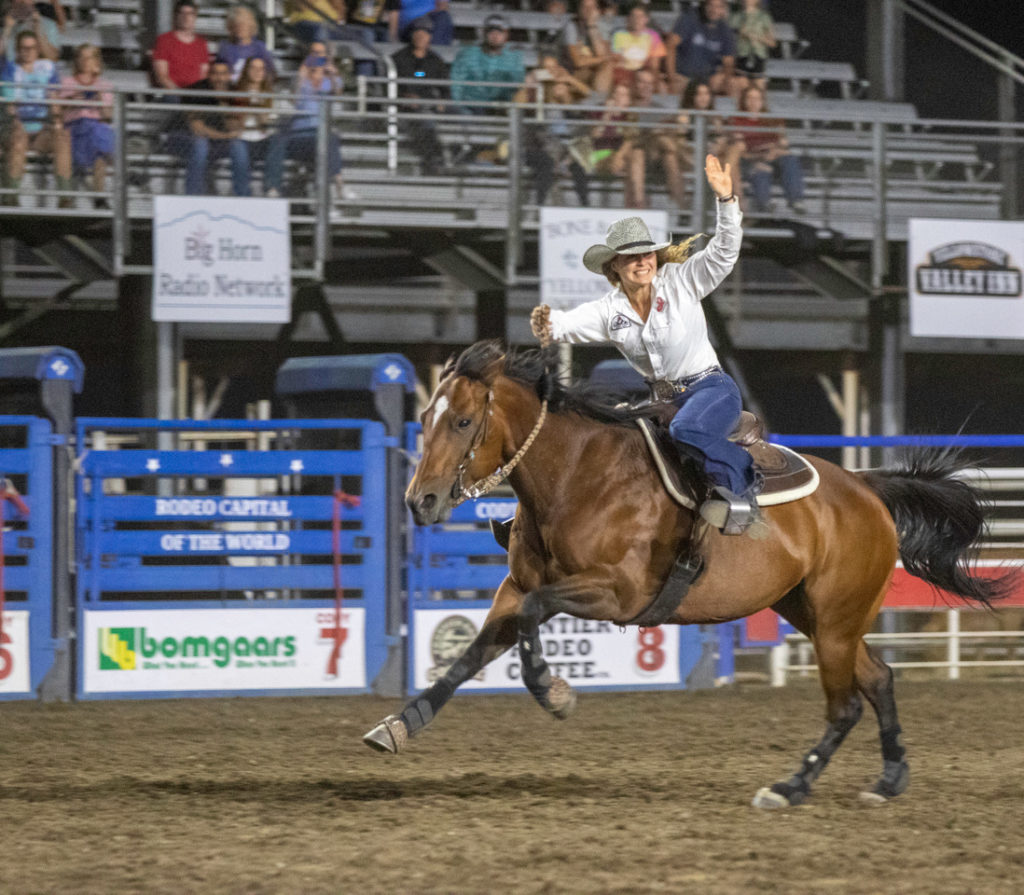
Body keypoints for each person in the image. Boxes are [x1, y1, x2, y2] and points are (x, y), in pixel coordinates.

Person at [529, 155, 766, 537]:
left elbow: (723, 253)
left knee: (687, 429)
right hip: (662, 402)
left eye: (646, 254)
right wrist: (549, 323)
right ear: (615, 268)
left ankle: (743, 484)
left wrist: (726, 203)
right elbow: (572, 323)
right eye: (631, 257)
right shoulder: (610, 311)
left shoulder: (683, 280)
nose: (642, 261)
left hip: (711, 389)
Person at [263, 50, 355, 203]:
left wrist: (332, 74)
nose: (317, 73)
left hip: (319, 136)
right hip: (298, 136)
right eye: (314, 69)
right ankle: (273, 187)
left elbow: (338, 93)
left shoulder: (327, 85)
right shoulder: (303, 84)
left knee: (330, 138)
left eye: (321, 70)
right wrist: (301, 74)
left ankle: (339, 184)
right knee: (278, 139)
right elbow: (295, 98)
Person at [1, 28, 72, 207]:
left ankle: (65, 197)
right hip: (18, 125)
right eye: (24, 48)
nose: (28, 51)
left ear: (37, 49)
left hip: (42, 128)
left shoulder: (48, 69)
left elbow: (54, 99)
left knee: (62, 137)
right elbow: (10, 106)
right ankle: (12, 196)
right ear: (17, 50)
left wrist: (57, 122)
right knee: (18, 137)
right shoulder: (10, 70)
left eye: (32, 48)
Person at [515, 52, 590, 207]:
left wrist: (568, 79)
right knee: (546, 163)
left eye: (553, 68)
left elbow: (588, 95)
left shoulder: (561, 90)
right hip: (538, 143)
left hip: (562, 144)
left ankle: (585, 206)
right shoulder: (533, 91)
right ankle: (540, 207)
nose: (550, 72)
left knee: (579, 165)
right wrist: (528, 85)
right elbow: (516, 105)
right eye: (546, 68)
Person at [726, 84, 805, 214]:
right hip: (751, 160)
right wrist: (763, 154)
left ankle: (796, 201)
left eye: (757, 98)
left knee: (790, 159)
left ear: (762, 101)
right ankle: (764, 205)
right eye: (749, 98)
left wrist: (773, 150)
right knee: (760, 170)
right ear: (744, 101)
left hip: (774, 156)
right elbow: (741, 151)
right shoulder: (736, 121)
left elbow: (783, 143)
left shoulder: (773, 120)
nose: (753, 102)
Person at [180, 59, 248, 196]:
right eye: (216, 74)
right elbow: (197, 128)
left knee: (238, 146)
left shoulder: (236, 93)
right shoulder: (196, 91)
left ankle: (243, 195)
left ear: (230, 75)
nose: (220, 78)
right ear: (209, 75)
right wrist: (227, 136)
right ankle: (193, 195)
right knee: (200, 145)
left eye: (223, 74)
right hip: (188, 138)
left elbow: (236, 126)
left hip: (219, 139)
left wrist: (224, 105)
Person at [390, 15, 448, 175]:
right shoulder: (399, 59)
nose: (421, 36)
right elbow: (389, 86)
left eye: (425, 33)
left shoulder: (435, 61)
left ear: (430, 36)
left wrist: (442, 100)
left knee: (461, 114)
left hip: (431, 105)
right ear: (412, 34)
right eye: (417, 32)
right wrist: (404, 97)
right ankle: (434, 162)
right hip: (406, 109)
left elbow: (445, 87)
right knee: (426, 121)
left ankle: (463, 158)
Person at [60, 43, 114, 208]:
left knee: (100, 147)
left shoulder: (104, 86)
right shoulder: (67, 83)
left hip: (96, 130)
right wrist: (73, 100)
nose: (84, 61)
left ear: (96, 61)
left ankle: (99, 197)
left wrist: (97, 95)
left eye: (89, 57)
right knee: (100, 136)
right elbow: (59, 114)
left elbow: (107, 116)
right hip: (74, 128)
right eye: (81, 57)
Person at [630, 67, 684, 207]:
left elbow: (674, 131)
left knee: (670, 157)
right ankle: (640, 206)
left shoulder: (660, 109)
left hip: (656, 156)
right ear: (635, 84)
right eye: (642, 82)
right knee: (662, 145)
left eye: (649, 83)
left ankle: (681, 209)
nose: (645, 87)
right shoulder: (628, 107)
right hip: (635, 153)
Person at [665, 0, 735, 97]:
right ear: (704, 4)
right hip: (683, 76)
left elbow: (728, 62)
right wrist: (671, 78)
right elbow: (670, 46)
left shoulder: (725, 29)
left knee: (735, 84)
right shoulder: (689, 18)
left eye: (719, 7)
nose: (714, 10)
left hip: (708, 80)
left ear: (724, 9)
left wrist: (724, 78)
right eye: (710, 5)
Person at [231, 55, 277, 195]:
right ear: (246, 70)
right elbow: (236, 124)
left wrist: (256, 106)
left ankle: (271, 188)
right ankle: (243, 193)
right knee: (236, 146)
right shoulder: (235, 93)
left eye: (261, 69)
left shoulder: (270, 95)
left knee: (278, 141)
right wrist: (247, 103)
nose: (258, 72)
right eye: (254, 68)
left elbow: (266, 125)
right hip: (242, 137)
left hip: (263, 139)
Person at [151, 0, 210, 91]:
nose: (186, 17)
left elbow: (204, 75)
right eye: (182, 13)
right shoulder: (164, 40)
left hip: (195, 93)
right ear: (176, 16)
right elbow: (162, 76)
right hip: (171, 92)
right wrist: (179, 93)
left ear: (195, 17)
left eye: (190, 14)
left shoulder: (201, 43)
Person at [558, 0, 614, 92]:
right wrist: (602, 59)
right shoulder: (571, 26)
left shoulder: (600, 26)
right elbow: (578, 62)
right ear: (579, 9)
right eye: (585, 7)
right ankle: (597, 100)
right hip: (573, 72)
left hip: (592, 73)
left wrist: (592, 26)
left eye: (592, 7)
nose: (588, 11)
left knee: (607, 67)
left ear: (597, 10)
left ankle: (598, 101)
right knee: (604, 64)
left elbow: (603, 55)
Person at [610, 3, 665, 90]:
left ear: (646, 19)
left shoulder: (653, 36)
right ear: (628, 18)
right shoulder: (618, 35)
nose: (636, 20)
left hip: (645, 73)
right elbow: (616, 61)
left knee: (661, 85)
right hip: (624, 72)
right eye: (633, 16)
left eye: (640, 16)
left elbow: (655, 65)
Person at [216, 4, 276, 84]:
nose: (240, 28)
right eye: (236, 25)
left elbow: (270, 72)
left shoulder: (259, 47)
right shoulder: (225, 47)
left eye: (243, 24)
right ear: (231, 27)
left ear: (250, 26)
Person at [730, 0, 776, 95]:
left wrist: (756, 38)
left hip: (758, 56)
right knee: (741, 92)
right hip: (742, 55)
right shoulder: (736, 17)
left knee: (759, 92)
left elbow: (772, 43)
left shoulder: (764, 17)